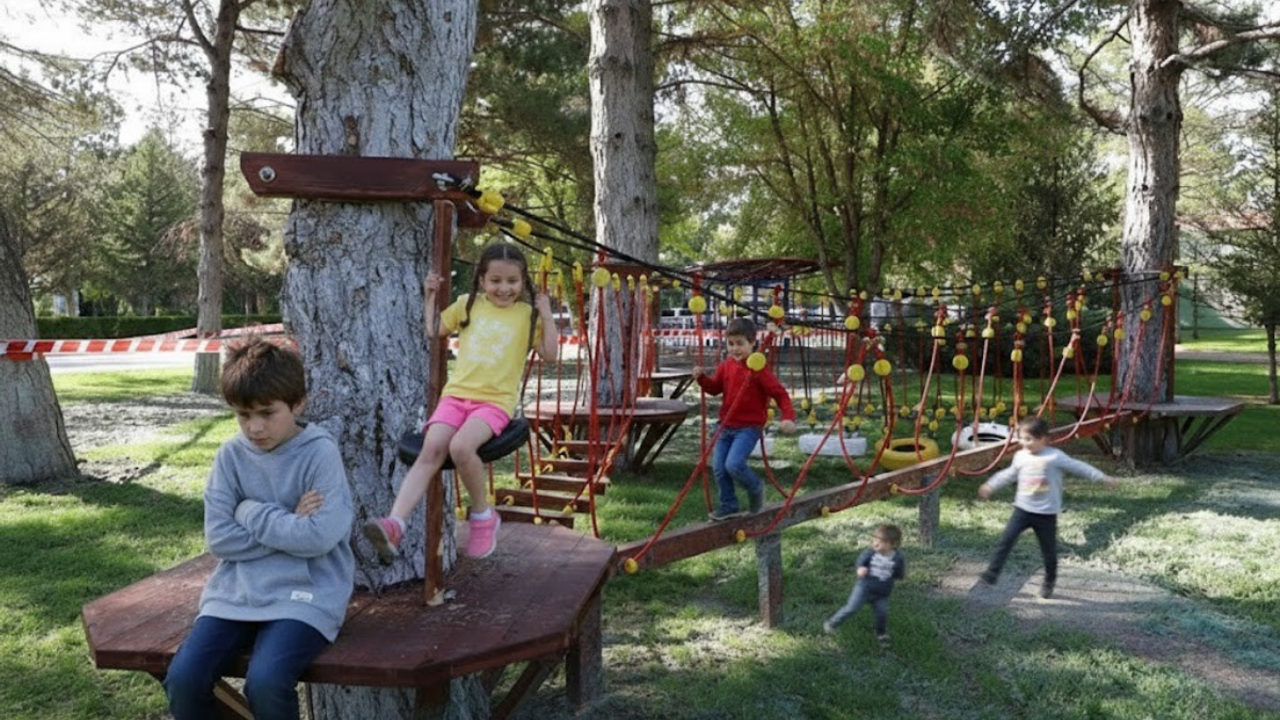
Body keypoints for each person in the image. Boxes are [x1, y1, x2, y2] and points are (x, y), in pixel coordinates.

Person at [164, 338, 355, 720]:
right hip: (234, 594)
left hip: (307, 595)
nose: (254, 428)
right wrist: (289, 521)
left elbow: (319, 537)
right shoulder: (230, 456)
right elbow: (219, 539)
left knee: (266, 682)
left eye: (267, 413)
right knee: (184, 680)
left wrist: (248, 511)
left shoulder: (319, 452)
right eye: (243, 415)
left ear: (298, 403)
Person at [365, 243, 557, 561]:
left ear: (523, 282)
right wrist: (429, 297)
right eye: (496, 280)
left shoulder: (528, 315)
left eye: (512, 281)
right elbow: (434, 330)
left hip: (494, 402)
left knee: (461, 448)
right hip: (455, 396)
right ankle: (395, 523)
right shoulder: (467, 305)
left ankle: (483, 517)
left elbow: (549, 354)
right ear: (481, 280)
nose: (504, 288)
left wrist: (548, 316)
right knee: (431, 450)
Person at [978, 415, 1117, 599]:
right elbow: (1008, 475)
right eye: (1021, 438)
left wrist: (1101, 477)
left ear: (1043, 439)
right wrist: (991, 485)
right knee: (1006, 540)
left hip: (1046, 514)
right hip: (1022, 510)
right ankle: (992, 573)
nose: (1024, 443)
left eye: (1029, 439)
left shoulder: (1054, 457)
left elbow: (1078, 467)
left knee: (1049, 552)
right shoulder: (1020, 457)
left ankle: (1049, 581)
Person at [692, 317, 797, 521]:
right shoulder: (726, 366)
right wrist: (702, 379)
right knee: (720, 469)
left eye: (740, 344)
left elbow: (780, 394)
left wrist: (788, 417)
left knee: (734, 465)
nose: (735, 349)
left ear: (752, 343)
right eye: (731, 344)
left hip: (748, 427)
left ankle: (756, 487)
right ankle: (729, 506)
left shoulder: (758, 369)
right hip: (725, 425)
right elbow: (715, 389)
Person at [823, 523, 906, 647]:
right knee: (851, 608)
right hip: (864, 588)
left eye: (881, 541)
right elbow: (860, 561)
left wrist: (900, 575)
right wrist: (860, 568)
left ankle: (881, 633)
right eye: (875, 539)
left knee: (882, 613)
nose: (876, 543)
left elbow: (899, 571)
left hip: (881, 594)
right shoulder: (870, 553)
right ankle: (831, 623)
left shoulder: (898, 558)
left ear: (893, 544)